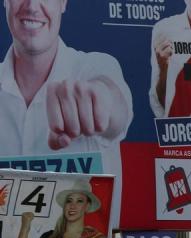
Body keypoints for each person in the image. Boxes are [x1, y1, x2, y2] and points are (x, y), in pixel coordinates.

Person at [0, 0, 133, 175]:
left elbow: (116, 109)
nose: (32, 6)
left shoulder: (97, 67)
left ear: (63, 3)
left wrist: (99, 102)